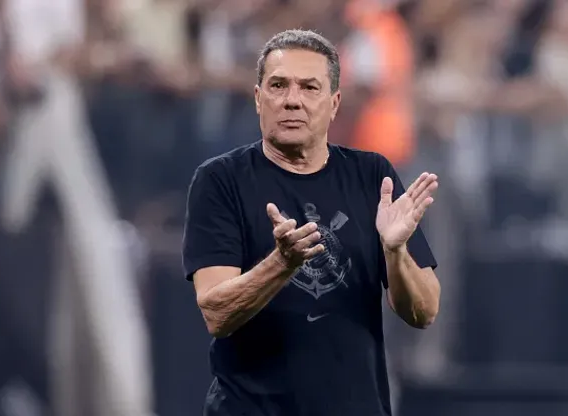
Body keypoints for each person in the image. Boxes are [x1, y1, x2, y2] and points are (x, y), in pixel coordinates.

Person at [182, 29, 441, 416]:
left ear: (334, 103)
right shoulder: (221, 180)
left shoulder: (373, 177)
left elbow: (424, 312)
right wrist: (281, 264)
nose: (292, 101)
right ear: (258, 99)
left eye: (309, 88)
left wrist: (395, 251)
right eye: (278, 86)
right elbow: (216, 314)